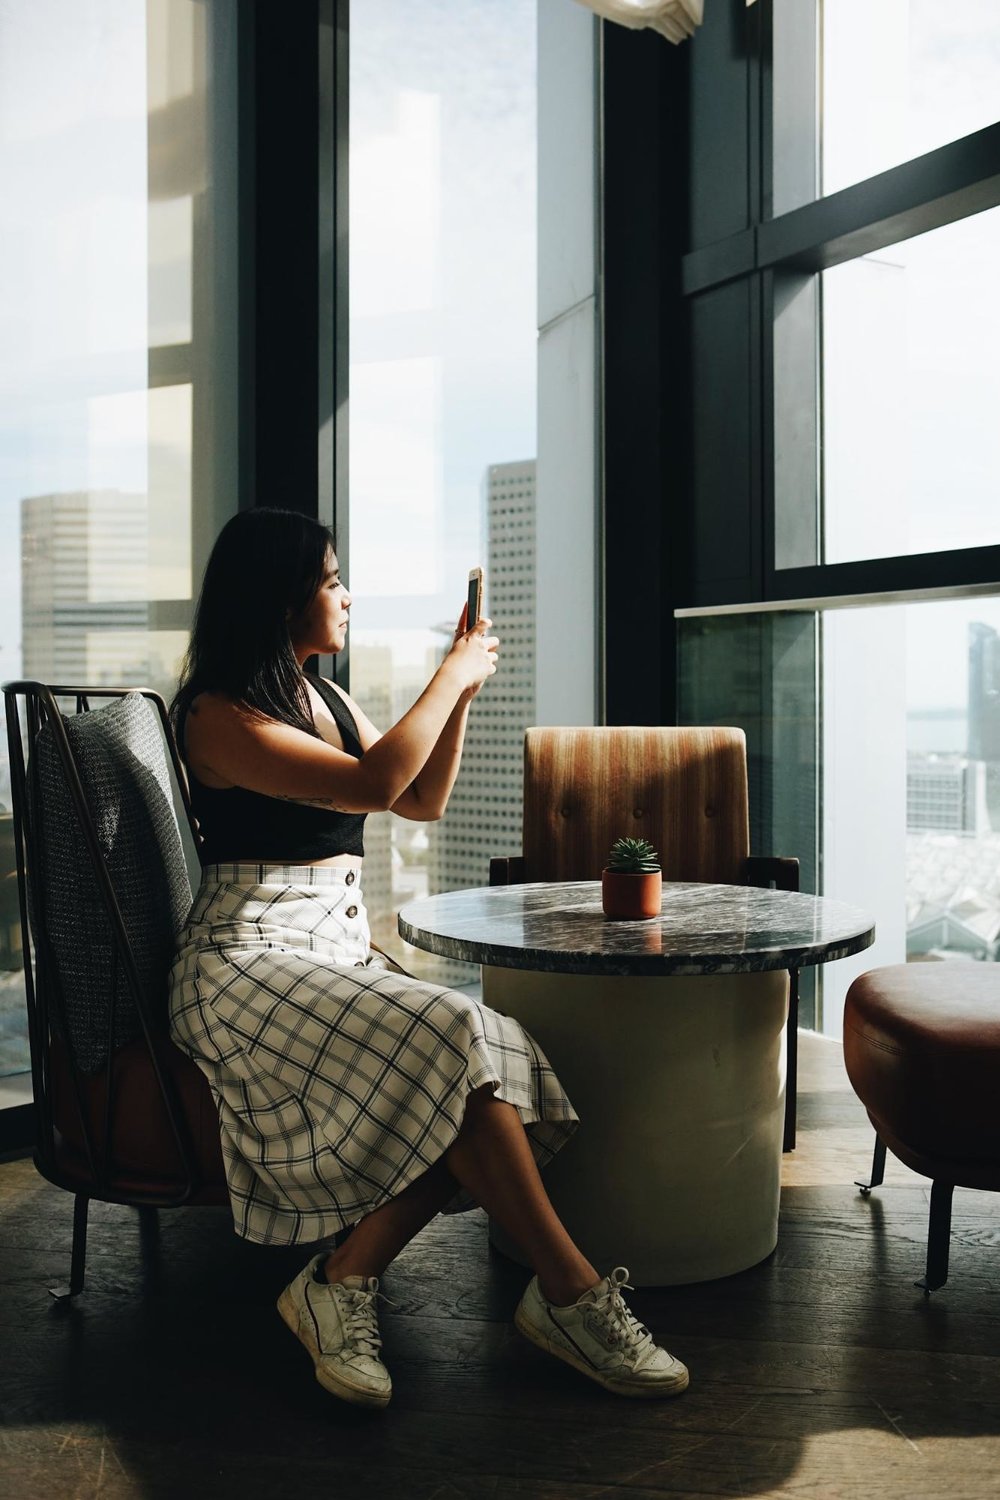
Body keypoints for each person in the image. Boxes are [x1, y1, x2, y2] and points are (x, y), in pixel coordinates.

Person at [168, 507, 689, 1410]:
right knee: (456, 1032)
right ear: (279, 595)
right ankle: (568, 1292)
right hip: (244, 956)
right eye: (331, 579)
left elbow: (421, 801)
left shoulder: (322, 696)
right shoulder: (218, 716)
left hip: (327, 950)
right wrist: (449, 674)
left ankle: (340, 1285)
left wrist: (463, 696)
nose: (345, 596)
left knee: (468, 1060)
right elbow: (372, 786)